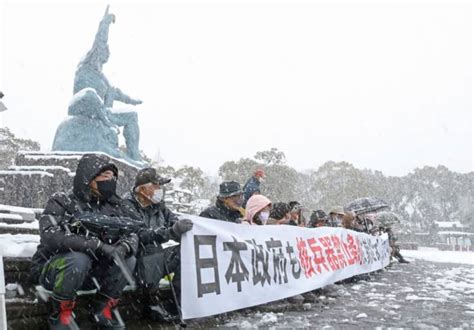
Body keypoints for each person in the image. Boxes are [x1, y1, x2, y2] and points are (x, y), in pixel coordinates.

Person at [30, 154, 139, 329]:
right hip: (54, 271)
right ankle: (61, 313)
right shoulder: (62, 200)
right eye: (104, 177)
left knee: (128, 259)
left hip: (91, 274)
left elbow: (133, 232)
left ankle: (101, 309)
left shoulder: (114, 206)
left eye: (112, 177)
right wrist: (97, 245)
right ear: (88, 178)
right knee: (79, 258)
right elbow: (51, 235)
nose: (110, 181)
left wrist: (124, 247)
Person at [121, 167, 193, 321]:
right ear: (141, 189)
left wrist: (185, 231)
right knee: (152, 249)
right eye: (156, 186)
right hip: (133, 262)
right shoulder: (126, 205)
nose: (160, 190)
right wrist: (170, 233)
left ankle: (179, 301)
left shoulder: (159, 207)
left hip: (156, 262)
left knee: (186, 251)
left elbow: (174, 222)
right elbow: (140, 235)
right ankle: (151, 305)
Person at [73, 6, 143, 161]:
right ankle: (133, 154)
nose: (107, 55)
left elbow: (117, 93)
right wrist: (105, 24)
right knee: (128, 115)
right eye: (105, 52)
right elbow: (99, 42)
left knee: (132, 116)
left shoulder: (102, 78)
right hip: (86, 107)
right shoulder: (87, 65)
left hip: (104, 113)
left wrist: (133, 100)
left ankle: (134, 154)